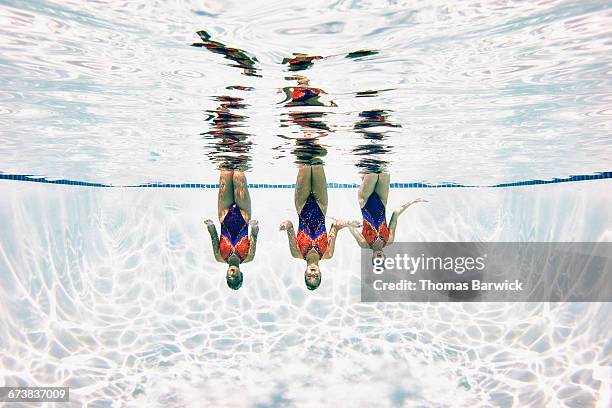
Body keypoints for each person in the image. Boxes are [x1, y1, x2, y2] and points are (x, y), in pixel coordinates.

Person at [279, 165, 348, 290]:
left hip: (302, 206)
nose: (313, 274)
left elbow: (290, 226)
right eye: (316, 277)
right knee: (317, 164)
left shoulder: (296, 253)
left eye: (309, 277)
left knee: (304, 164)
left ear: (305, 274)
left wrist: (285, 225)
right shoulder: (328, 253)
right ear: (320, 274)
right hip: (321, 207)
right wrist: (348, 224)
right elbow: (335, 227)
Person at [348, 173, 426, 259]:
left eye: (377, 261)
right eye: (381, 260)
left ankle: (363, 174)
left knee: (372, 172)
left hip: (365, 202)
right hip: (382, 201)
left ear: (372, 258)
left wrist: (351, 224)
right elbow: (395, 215)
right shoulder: (389, 240)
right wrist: (411, 202)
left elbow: (350, 227)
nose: (379, 258)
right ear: (384, 257)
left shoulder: (364, 243)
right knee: (384, 172)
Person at [205, 170, 258, 289]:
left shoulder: (219, 257)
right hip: (243, 216)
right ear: (241, 275)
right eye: (236, 277)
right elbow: (254, 236)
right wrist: (254, 226)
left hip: (224, 216)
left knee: (225, 174)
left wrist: (210, 225)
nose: (232, 274)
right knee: (239, 175)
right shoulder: (248, 257)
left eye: (229, 277)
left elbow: (214, 237)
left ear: (226, 275)